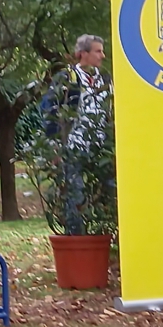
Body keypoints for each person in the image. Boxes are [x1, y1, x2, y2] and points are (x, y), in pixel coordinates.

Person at [40, 34, 112, 234]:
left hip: (102, 149)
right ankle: (77, 241)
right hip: (73, 149)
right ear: (83, 54)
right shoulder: (66, 78)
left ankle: (108, 242)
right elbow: (49, 111)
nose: (102, 56)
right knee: (75, 198)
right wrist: (55, 146)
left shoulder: (106, 79)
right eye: (98, 51)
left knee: (110, 193)